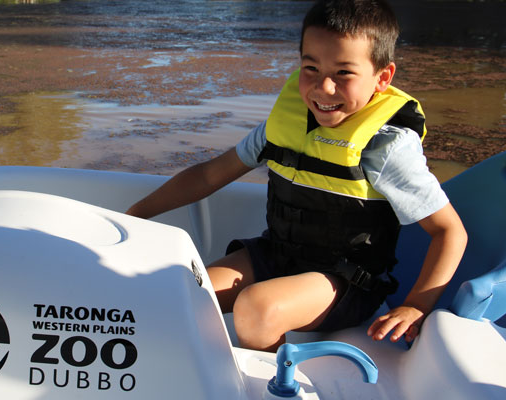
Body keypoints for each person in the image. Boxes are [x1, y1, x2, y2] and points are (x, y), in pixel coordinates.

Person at [126, 0, 467, 352]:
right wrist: (135, 215)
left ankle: (271, 386)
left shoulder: (386, 147)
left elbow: (449, 231)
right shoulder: (283, 127)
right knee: (179, 291)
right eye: (311, 68)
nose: (324, 88)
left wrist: (417, 305)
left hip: (346, 282)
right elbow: (209, 175)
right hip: (277, 256)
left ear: (382, 78)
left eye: (344, 73)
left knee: (255, 308)